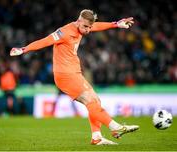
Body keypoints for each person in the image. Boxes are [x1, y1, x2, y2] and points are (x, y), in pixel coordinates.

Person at [10, 9, 139, 145]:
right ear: (78, 21)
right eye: (85, 26)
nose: (88, 30)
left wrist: (116, 24)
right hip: (65, 75)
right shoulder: (64, 32)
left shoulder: (84, 27)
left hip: (74, 73)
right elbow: (45, 41)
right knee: (91, 101)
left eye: (89, 27)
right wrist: (23, 49)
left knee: (96, 100)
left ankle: (97, 137)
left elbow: (96, 26)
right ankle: (115, 127)